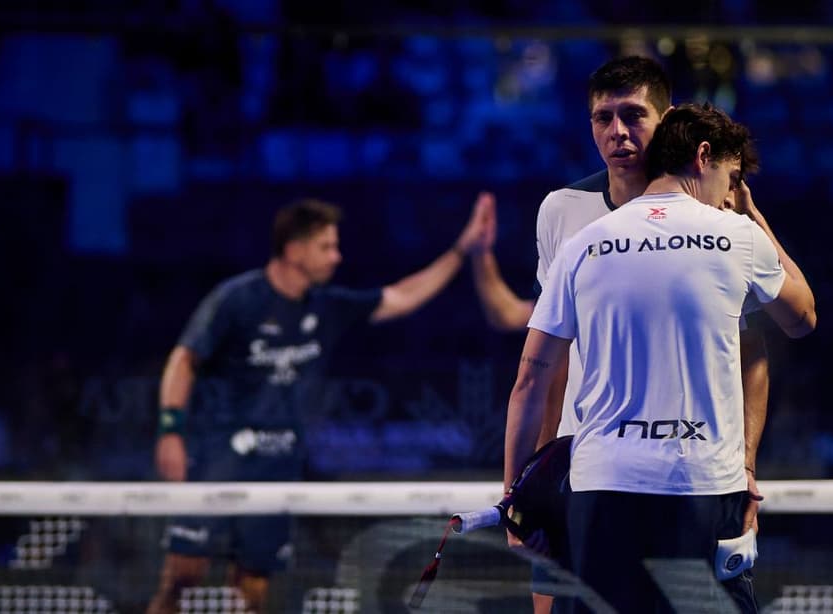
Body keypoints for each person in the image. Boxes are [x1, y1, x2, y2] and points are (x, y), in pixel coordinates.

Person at [472, 56, 770, 612]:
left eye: (633, 115)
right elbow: (547, 363)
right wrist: (533, 490)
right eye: (602, 118)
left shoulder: (718, 220)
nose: (617, 133)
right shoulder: (561, 212)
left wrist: (746, 465)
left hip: (696, 479)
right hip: (592, 476)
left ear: (668, 119)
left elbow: (750, 353)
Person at [146, 195, 490, 614]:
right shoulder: (236, 299)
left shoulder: (328, 307)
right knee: (182, 575)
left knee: (253, 593)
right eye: (326, 247)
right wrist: (170, 430)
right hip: (218, 458)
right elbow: (184, 358)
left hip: (279, 470)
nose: (337, 256)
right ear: (294, 250)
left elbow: (402, 296)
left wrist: (461, 250)